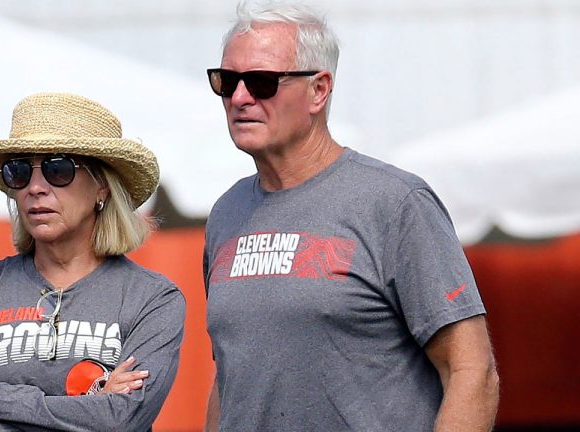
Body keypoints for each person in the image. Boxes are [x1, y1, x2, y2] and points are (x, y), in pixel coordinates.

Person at [202, 1, 499, 431]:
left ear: (319, 90)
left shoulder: (395, 202)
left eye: (262, 82)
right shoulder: (226, 214)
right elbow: (230, 379)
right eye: (227, 82)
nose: (240, 97)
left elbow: (472, 371)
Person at [0, 92, 185, 431]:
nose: (35, 187)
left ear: (103, 187)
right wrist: (85, 409)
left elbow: (120, 420)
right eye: (19, 170)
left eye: (58, 168)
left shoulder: (152, 298)